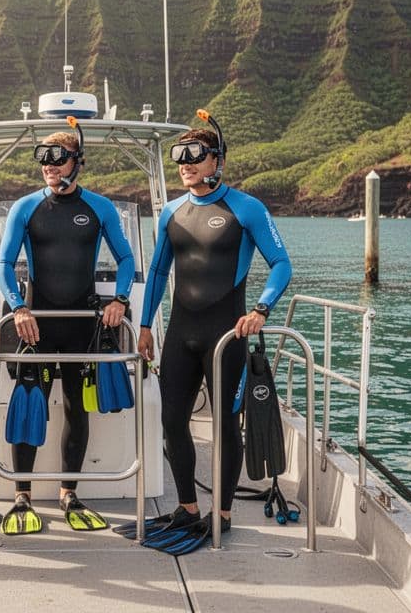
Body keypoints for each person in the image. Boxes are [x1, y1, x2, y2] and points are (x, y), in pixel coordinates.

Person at [136, 111, 291, 541]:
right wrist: (146, 326)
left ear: (216, 160)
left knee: (225, 426)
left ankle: (221, 513)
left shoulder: (246, 208)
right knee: (170, 421)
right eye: (179, 157)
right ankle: (187, 508)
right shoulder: (170, 212)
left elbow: (281, 264)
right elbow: (158, 273)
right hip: (181, 336)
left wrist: (260, 309)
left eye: (195, 156)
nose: (185, 164)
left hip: (227, 337)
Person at [0, 128, 134, 530]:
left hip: (80, 325)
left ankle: (68, 493)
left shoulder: (99, 208)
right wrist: (19, 307)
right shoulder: (25, 208)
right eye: (44, 159)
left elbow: (125, 258)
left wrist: (120, 299)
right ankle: (21, 497)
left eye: (58, 159)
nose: (49, 167)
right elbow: (5, 265)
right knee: (28, 402)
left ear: (77, 161)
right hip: (36, 324)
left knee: (77, 405)